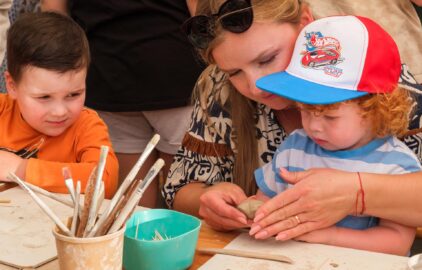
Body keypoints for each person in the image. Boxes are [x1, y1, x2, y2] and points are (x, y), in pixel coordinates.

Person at [163, 0, 422, 234]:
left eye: (267, 59)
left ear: (305, 23)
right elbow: (180, 187)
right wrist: (210, 202)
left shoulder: (374, 82)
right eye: (234, 73)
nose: (256, 87)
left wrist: (357, 193)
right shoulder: (219, 90)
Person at [251, 15, 420, 255]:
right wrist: (245, 210)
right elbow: (264, 201)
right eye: (305, 111)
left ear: (377, 109)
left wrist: (330, 236)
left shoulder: (396, 166)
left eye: (330, 117)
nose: (314, 127)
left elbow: (397, 242)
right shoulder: (295, 146)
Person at [41, 0, 204, 207]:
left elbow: (54, 13)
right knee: (173, 209)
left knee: (136, 211)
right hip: (159, 76)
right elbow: (202, 16)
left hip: (114, 77)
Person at [0, 12, 118, 198]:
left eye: (73, 94)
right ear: (12, 85)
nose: (60, 111)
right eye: (45, 97)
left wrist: (22, 169)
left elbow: (105, 181)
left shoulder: (86, 126)